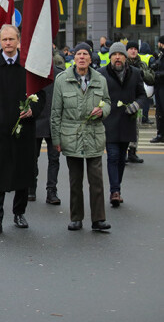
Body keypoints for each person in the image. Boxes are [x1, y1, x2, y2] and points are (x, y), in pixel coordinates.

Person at [0, 25, 45, 236]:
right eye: (4, 39)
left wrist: (32, 110)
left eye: (11, 39)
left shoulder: (28, 65)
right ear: (0, 41)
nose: (8, 43)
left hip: (24, 130)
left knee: (24, 172)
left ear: (18, 41)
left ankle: (19, 213)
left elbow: (41, 95)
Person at [51, 42, 112, 232]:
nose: (82, 57)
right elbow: (55, 112)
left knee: (96, 180)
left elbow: (108, 102)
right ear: (74, 58)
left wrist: (102, 111)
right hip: (71, 134)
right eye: (79, 54)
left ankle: (98, 219)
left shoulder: (100, 80)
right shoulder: (62, 80)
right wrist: (56, 139)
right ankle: (76, 218)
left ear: (90, 57)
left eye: (86, 54)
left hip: (94, 134)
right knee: (75, 180)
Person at [99, 42, 147, 207]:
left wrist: (137, 105)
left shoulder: (135, 73)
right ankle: (115, 191)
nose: (117, 58)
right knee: (112, 156)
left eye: (120, 55)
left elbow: (142, 95)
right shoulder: (101, 73)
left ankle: (116, 187)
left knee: (121, 158)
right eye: (114, 55)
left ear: (125, 58)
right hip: (109, 121)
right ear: (110, 57)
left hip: (127, 121)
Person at [31, 65, 64, 205]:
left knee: (54, 159)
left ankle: (51, 190)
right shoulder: (33, 71)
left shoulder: (60, 73)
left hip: (54, 122)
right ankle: (31, 187)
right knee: (32, 158)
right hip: (36, 120)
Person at [125, 40, 154, 162]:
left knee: (135, 126)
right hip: (124, 99)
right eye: (131, 48)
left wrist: (142, 73)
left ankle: (132, 151)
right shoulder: (122, 62)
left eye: (135, 49)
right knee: (123, 126)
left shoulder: (141, 64)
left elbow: (151, 79)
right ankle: (123, 152)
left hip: (137, 99)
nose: (133, 51)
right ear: (127, 50)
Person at [149, 36, 164, 143]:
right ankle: (160, 134)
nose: (158, 45)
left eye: (159, 43)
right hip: (159, 87)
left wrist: (157, 74)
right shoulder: (161, 55)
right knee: (159, 112)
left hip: (162, 87)